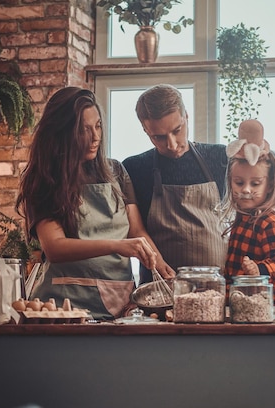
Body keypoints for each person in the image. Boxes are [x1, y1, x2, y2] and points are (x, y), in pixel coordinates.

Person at [16, 87, 170, 320]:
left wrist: (161, 266)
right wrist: (117, 245)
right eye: (83, 130)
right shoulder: (44, 179)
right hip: (62, 307)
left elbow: (136, 231)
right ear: (62, 132)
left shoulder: (116, 171)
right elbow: (54, 248)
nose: (95, 137)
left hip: (119, 303)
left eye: (98, 126)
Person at [122, 84, 228, 284]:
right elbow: (135, 229)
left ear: (186, 116)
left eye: (177, 130)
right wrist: (156, 261)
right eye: (159, 137)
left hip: (219, 288)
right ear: (145, 130)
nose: (171, 144)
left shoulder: (220, 157)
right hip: (161, 288)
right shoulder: (134, 168)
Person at [219, 119, 275, 306]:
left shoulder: (269, 221)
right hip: (242, 305)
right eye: (239, 182)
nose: (245, 190)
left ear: (269, 186)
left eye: (255, 183)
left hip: (266, 308)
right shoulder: (242, 219)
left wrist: (259, 269)